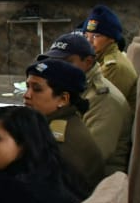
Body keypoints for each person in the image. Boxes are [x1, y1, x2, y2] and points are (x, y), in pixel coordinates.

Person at [40, 31, 132, 173]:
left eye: (66, 62)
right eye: (54, 62)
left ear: (88, 62)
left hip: (98, 179)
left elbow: (90, 160)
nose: (57, 69)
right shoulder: (74, 88)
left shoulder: (103, 100)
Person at [24, 59, 105, 198]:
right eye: (27, 87)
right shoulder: (58, 122)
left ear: (63, 99)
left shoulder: (58, 142)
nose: (26, 95)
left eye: (37, 89)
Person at [82, 4, 137, 107]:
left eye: (95, 36)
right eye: (86, 36)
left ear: (111, 38)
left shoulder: (113, 67)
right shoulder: (100, 58)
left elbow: (97, 102)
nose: (89, 41)